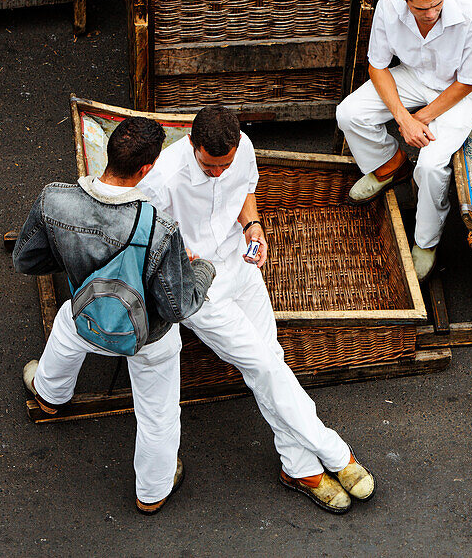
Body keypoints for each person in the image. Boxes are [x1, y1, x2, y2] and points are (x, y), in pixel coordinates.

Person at [138, 105, 375, 514]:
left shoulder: (242, 148)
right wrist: (183, 253)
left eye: (223, 165)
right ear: (191, 145)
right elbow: (149, 237)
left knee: (271, 361)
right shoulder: (163, 177)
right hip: (198, 287)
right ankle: (337, 453)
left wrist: (253, 227)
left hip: (241, 266)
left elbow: (246, 191)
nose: (217, 173)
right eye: (210, 166)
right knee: (264, 366)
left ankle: (298, 467)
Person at [13, 117, 216, 514]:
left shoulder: (54, 199)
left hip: (85, 312)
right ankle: (151, 493)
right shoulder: (160, 228)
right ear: (146, 168)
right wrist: (204, 269)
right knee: (158, 414)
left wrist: (76, 260)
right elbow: (179, 307)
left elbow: (27, 258)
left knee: (67, 329)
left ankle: (50, 395)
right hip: (147, 340)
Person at [335, 0, 472, 279]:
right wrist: (404, 119)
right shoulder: (388, 5)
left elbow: (469, 81)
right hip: (416, 75)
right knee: (349, 114)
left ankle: (426, 242)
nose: (430, 14)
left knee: (430, 164)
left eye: (436, 5)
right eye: (421, 9)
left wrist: (421, 118)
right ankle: (389, 166)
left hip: (462, 89)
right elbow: (378, 66)